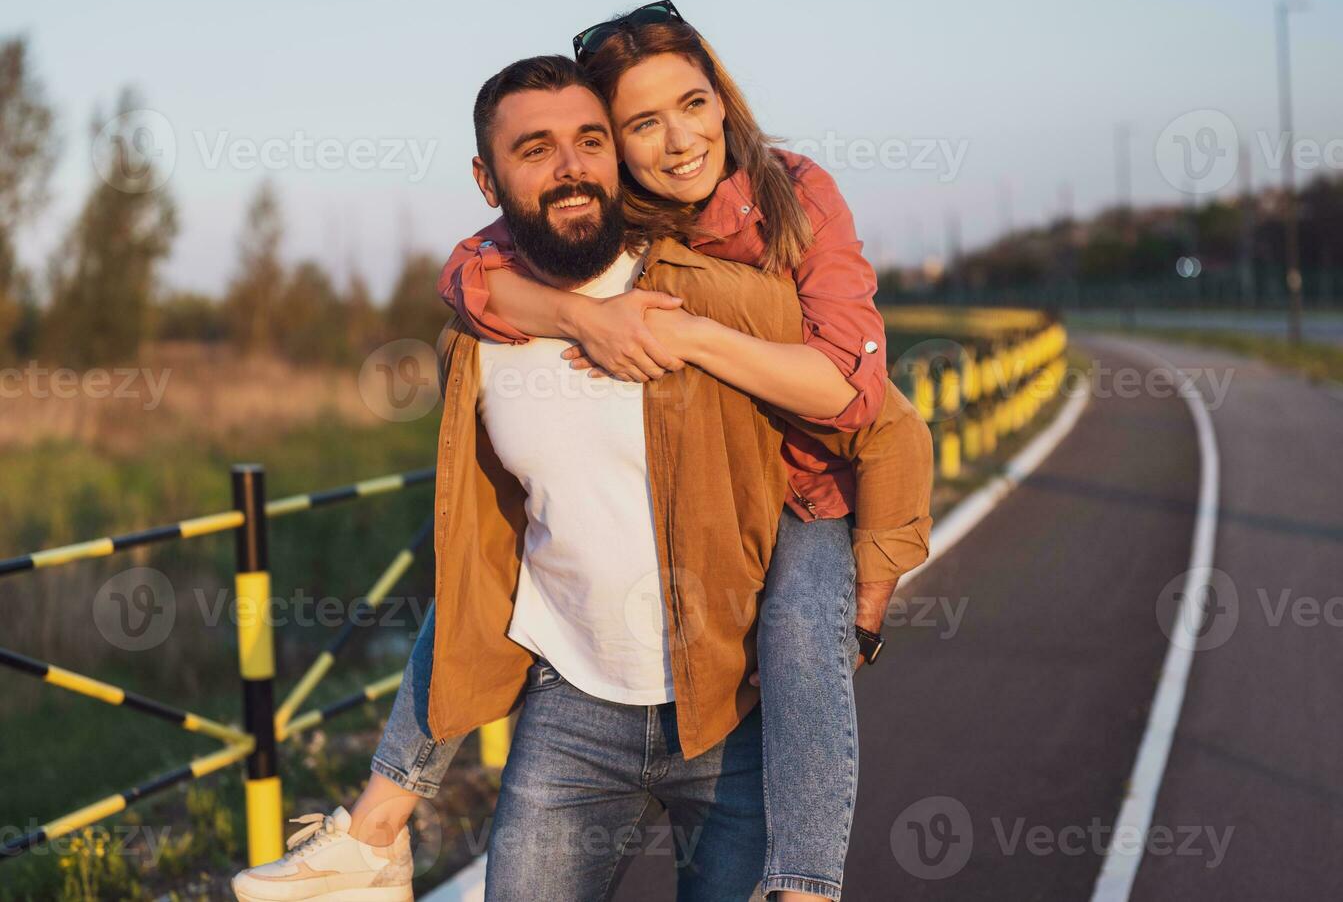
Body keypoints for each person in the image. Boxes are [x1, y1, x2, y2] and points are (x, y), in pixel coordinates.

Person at [231, 54, 930, 902]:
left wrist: (857, 613)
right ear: (488, 180)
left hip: (731, 716)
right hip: (572, 712)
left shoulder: (718, 299)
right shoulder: (480, 331)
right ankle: (371, 841)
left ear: (615, 160)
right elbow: (484, 549)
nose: (569, 166)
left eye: (589, 140)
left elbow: (883, 420)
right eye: (535, 149)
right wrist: (577, 317)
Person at [438, 2, 934, 902]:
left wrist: (697, 337)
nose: (679, 142)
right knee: (470, 582)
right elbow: (468, 274)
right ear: (614, 143)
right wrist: (583, 314)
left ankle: (807, 886)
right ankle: (377, 814)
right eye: (642, 124)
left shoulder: (793, 189)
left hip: (805, 493)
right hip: (682, 529)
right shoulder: (607, 221)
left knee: (798, 635)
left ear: (723, 99)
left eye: (694, 104)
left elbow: (854, 390)